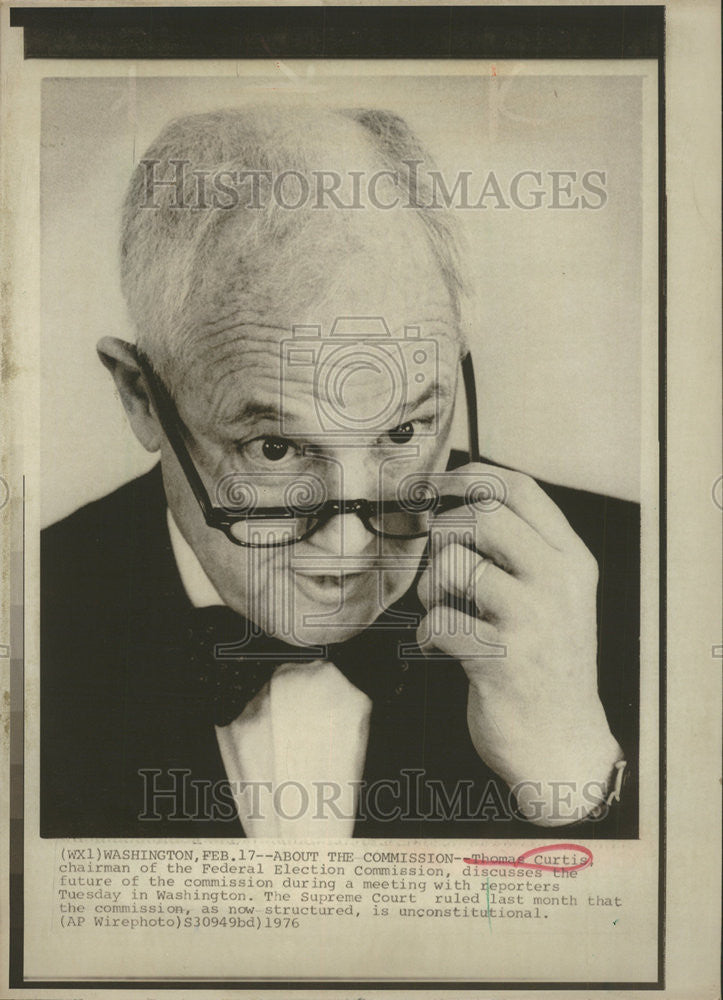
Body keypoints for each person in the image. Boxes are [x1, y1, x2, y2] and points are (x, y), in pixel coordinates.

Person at [41, 106, 639, 838]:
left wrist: (571, 775)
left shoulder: (649, 580)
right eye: (274, 449)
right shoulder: (33, 607)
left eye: (402, 431)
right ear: (140, 397)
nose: (353, 550)